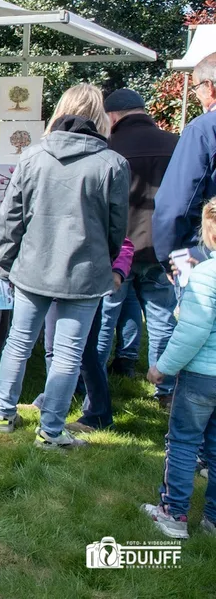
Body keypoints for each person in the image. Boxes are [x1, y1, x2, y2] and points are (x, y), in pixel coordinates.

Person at [0, 85, 129, 450]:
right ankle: (50, 431)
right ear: (99, 116)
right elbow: (118, 228)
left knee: (18, 343)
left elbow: (10, 219)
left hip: (33, 266)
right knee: (67, 353)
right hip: (83, 271)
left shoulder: (33, 156)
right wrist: (105, 258)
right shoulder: (112, 164)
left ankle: (4, 414)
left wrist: (5, 263)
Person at [141, 197, 216, 540]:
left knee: (184, 442)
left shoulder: (206, 275)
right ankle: (212, 519)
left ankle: (173, 515)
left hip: (201, 376)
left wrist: (163, 368)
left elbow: (192, 330)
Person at [97, 88, 179, 382]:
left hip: (119, 248)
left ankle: (93, 387)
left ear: (113, 116)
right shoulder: (175, 143)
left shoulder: (107, 147)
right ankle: (166, 388)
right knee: (162, 318)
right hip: (163, 246)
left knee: (105, 318)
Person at [152, 54, 216, 409]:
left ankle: (197, 444)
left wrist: (170, 255)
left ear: (209, 89)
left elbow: (176, 202)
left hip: (204, 250)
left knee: (198, 334)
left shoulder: (204, 129)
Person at [31, 238, 133, 432]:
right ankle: (51, 402)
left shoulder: (98, 206)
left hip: (86, 284)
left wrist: (118, 270)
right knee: (52, 349)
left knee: (86, 353)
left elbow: (123, 240)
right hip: (53, 281)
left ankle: (98, 415)